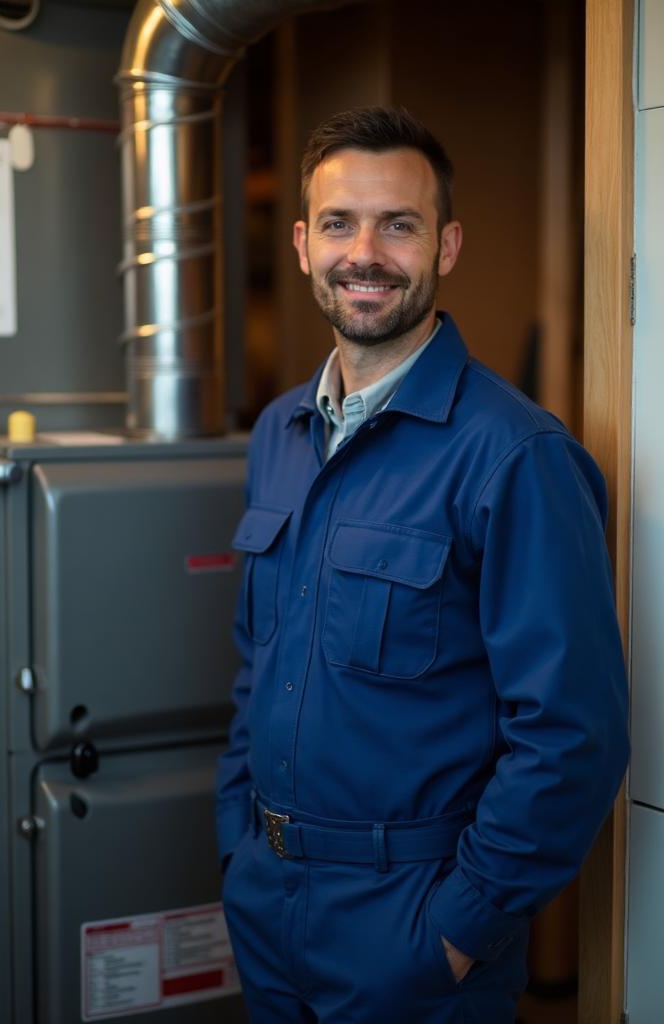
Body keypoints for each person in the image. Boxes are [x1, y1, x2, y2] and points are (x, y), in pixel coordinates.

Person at [215, 106, 629, 1024]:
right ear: (300, 244)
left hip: (413, 929)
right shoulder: (280, 434)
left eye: (397, 224)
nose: (364, 252)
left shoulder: (515, 456)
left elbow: (573, 734)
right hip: (268, 908)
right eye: (338, 223)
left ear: (445, 246)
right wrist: (235, 842)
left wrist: (459, 927)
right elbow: (259, 673)